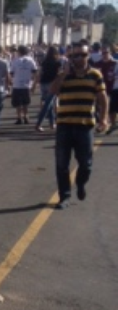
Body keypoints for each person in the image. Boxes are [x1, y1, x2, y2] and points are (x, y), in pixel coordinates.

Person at [49, 42, 108, 209]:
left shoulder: (95, 75)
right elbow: (52, 91)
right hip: (64, 125)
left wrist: (103, 119)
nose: (79, 58)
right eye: (75, 55)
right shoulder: (64, 75)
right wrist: (62, 75)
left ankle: (80, 183)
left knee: (86, 163)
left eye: (82, 55)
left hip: (85, 126)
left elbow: (102, 98)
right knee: (62, 164)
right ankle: (64, 197)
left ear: (88, 55)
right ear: (70, 57)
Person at [35, 45, 62, 132]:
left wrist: (36, 83)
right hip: (52, 83)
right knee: (47, 104)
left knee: (49, 104)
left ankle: (52, 122)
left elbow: (40, 73)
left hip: (43, 83)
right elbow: (59, 74)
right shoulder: (57, 62)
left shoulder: (44, 62)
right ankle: (39, 123)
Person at [9, 45, 38, 125]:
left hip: (17, 84)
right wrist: (34, 84)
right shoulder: (31, 60)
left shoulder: (15, 60)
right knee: (26, 102)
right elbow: (35, 72)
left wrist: (10, 82)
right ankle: (26, 116)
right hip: (27, 84)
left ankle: (19, 117)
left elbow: (11, 73)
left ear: (19, 52)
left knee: (17, 103)